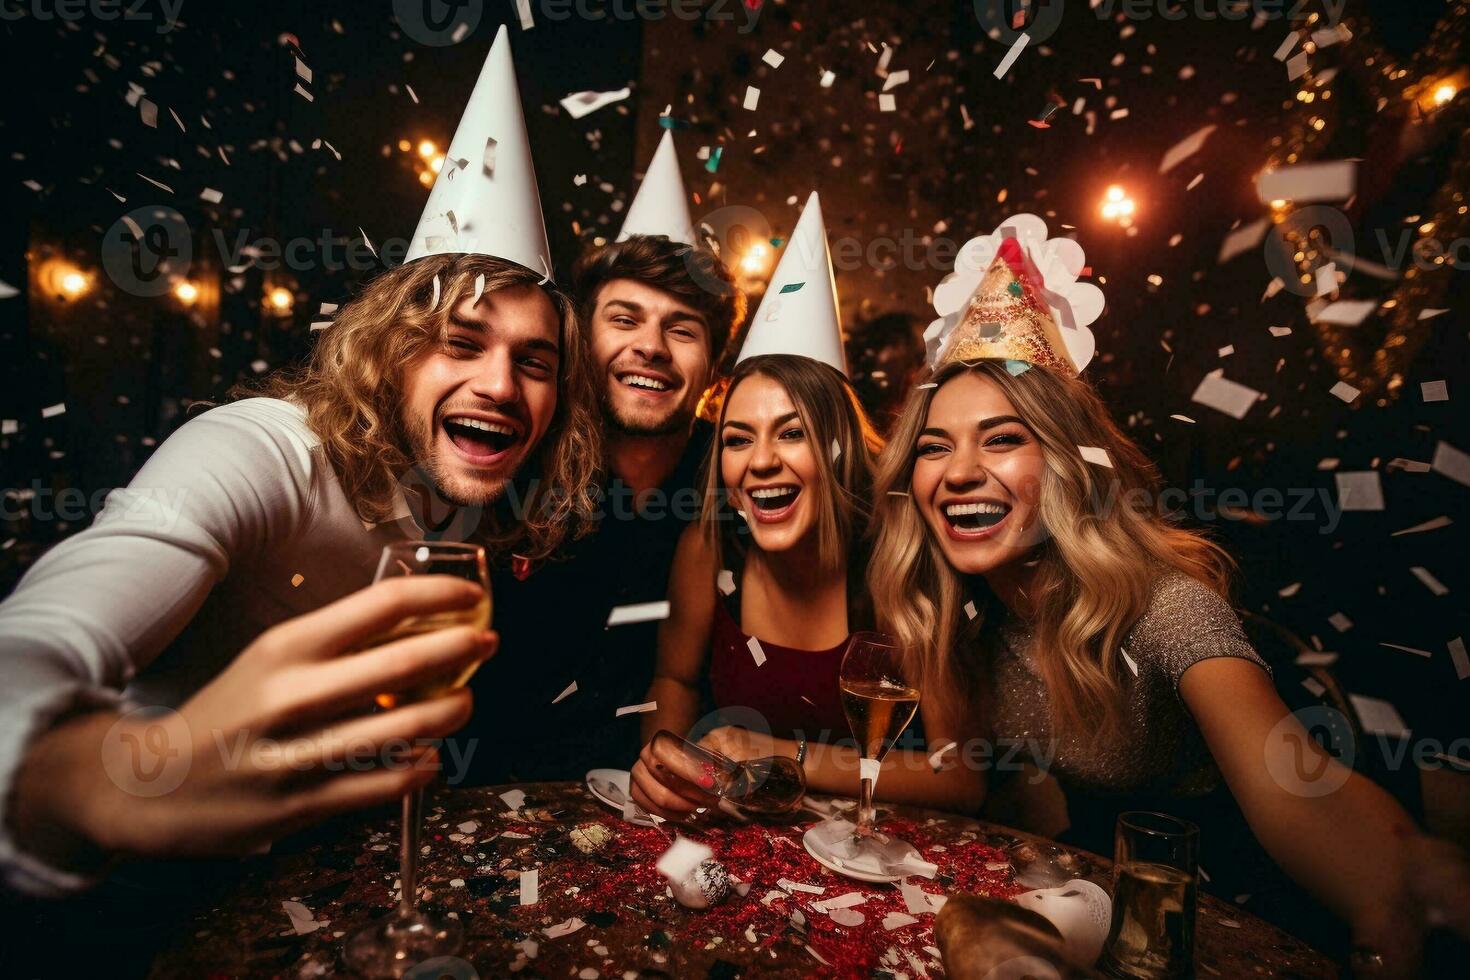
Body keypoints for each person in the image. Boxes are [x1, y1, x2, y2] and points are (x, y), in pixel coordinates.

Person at [0, 28, 602, 895]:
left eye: (534, 361)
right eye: (458, 343)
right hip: (127, 902)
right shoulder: (260, 450)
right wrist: (94, 779)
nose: (500, 385)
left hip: (304, 888)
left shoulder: (466, 495)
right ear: (392, 351)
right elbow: (32, 645)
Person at [868, 217, 1470, 974]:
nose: (956, 472)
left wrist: (1392, 885)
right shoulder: (965, 609)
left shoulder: (1163, 608)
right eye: (933, 446)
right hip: (1112, 901)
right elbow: (961, 774)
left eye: (1002, 438)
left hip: (1244, 913)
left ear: (1067, 465)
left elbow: (1295, 786)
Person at [630, 193, 987, 821]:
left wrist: (773, 755)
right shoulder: (713, 546)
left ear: (839, 447)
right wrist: (667, 764)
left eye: (792, 433)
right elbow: (675, 680)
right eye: (738, 439)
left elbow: (962, 776)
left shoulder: (899, 556)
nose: (760, 461)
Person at [461, 130, 745, 783]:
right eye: (624, 319)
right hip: (477, 793)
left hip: (644, 807)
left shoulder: (733, 479)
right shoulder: (507, 456)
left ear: (715, 367)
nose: (651, 346)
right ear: (580, 342)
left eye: (682, 329)